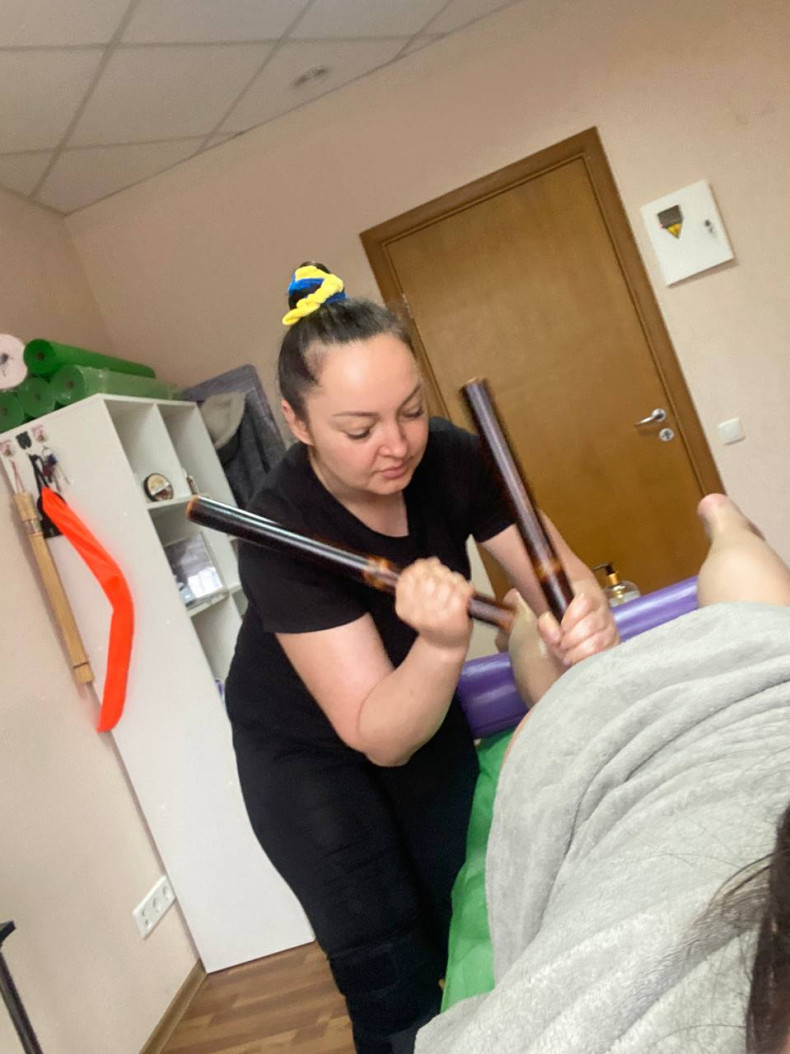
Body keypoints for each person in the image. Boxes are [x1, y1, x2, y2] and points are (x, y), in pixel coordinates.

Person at [224, 263, 618, 1053]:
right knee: (389, 968)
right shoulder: (280, 530)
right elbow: (381, 735)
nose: (397, 445)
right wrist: (442, 643)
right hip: (307, 753)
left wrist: (584, 616)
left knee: (473, 904)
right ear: (297, 422)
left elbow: (557, 577)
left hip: (421, 707)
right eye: (360, 429)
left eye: (410, 410)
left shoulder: (452, 456)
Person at [416, 493, 790, 1054]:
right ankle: (726, 522)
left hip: (615, 748)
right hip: (760, 708)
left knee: (573, 689)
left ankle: (524, 619)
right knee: (759, 630)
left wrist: (583, 610)